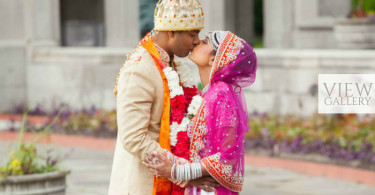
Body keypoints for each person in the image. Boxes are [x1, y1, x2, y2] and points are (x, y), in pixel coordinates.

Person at [108, 0, 220, 194]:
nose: (196, 41)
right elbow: (134, 137)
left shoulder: (173, 64)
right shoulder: (140, 69)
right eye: (192, 34)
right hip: (142, 185)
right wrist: (183, 171)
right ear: (171, 32)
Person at [145, 31, 258, 194]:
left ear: (214, 58)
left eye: (205, 42)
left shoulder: (221, 93)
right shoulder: (208, 93)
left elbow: (228, 157)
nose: (197, 42)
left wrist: (177, 171)